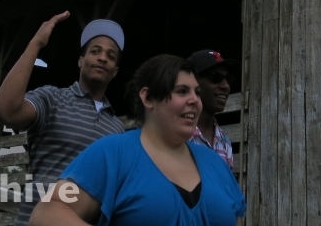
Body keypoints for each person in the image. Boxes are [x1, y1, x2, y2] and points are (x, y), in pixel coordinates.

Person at [30, 54, 246, 226]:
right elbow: (46, 213)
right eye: (182, 91)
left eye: (197, 93)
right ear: (148, 97)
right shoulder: (113, 152)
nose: (195, 101)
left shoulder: (216, 164)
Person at [0, 13, 125, 226]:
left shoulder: (117, 129)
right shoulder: (52, 98)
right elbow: (5, 111)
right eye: (95, 51)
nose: (103, 58)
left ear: (115, 71)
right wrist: (36, 44)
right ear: (81, 61)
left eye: (111, 56)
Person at [187, 50, 237, 171]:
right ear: (193, 82)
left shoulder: (225, 143)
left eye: (228, 79)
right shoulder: (178, 136)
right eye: (216, 77)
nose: (225, 86)